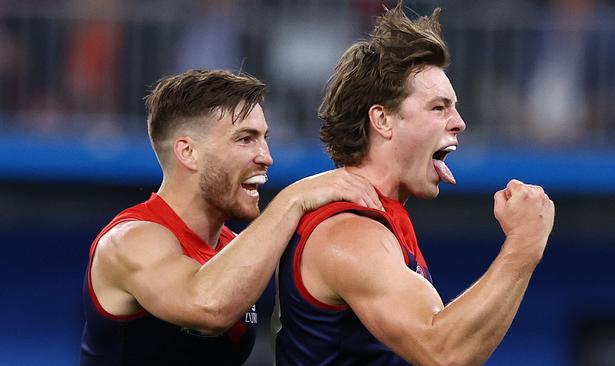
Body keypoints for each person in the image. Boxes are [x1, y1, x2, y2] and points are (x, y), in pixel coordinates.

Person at [272, 2, 555, 365]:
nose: (459, 122)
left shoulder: (378, 220)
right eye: (439, 108)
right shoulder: (349, 234)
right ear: (383, 120)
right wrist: (523, 246)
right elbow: (443, 352)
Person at [79, 69, 383, 365]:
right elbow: (208, 308)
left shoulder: (234, 248)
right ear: (188, 152)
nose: (266, 156)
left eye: (264, 137)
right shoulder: (129, 241)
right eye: (245, 139)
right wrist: (293, 199)